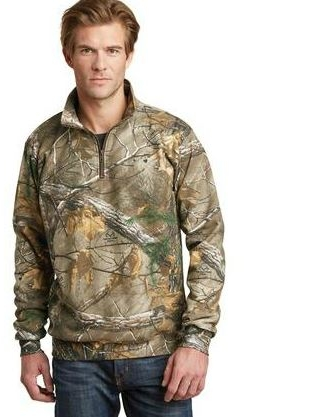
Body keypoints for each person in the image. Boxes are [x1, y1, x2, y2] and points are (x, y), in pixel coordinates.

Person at [12, 0, 225, 416]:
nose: (100, 64)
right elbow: (30, 247)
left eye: (112, 50)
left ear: (129, 55)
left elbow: (207, 240)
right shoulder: (43, 145)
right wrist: (29, 342)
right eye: (87, 50)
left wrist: (197, 341)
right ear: (68, 55)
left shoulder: (171, 137)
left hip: (162, 354)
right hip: (77, 358)